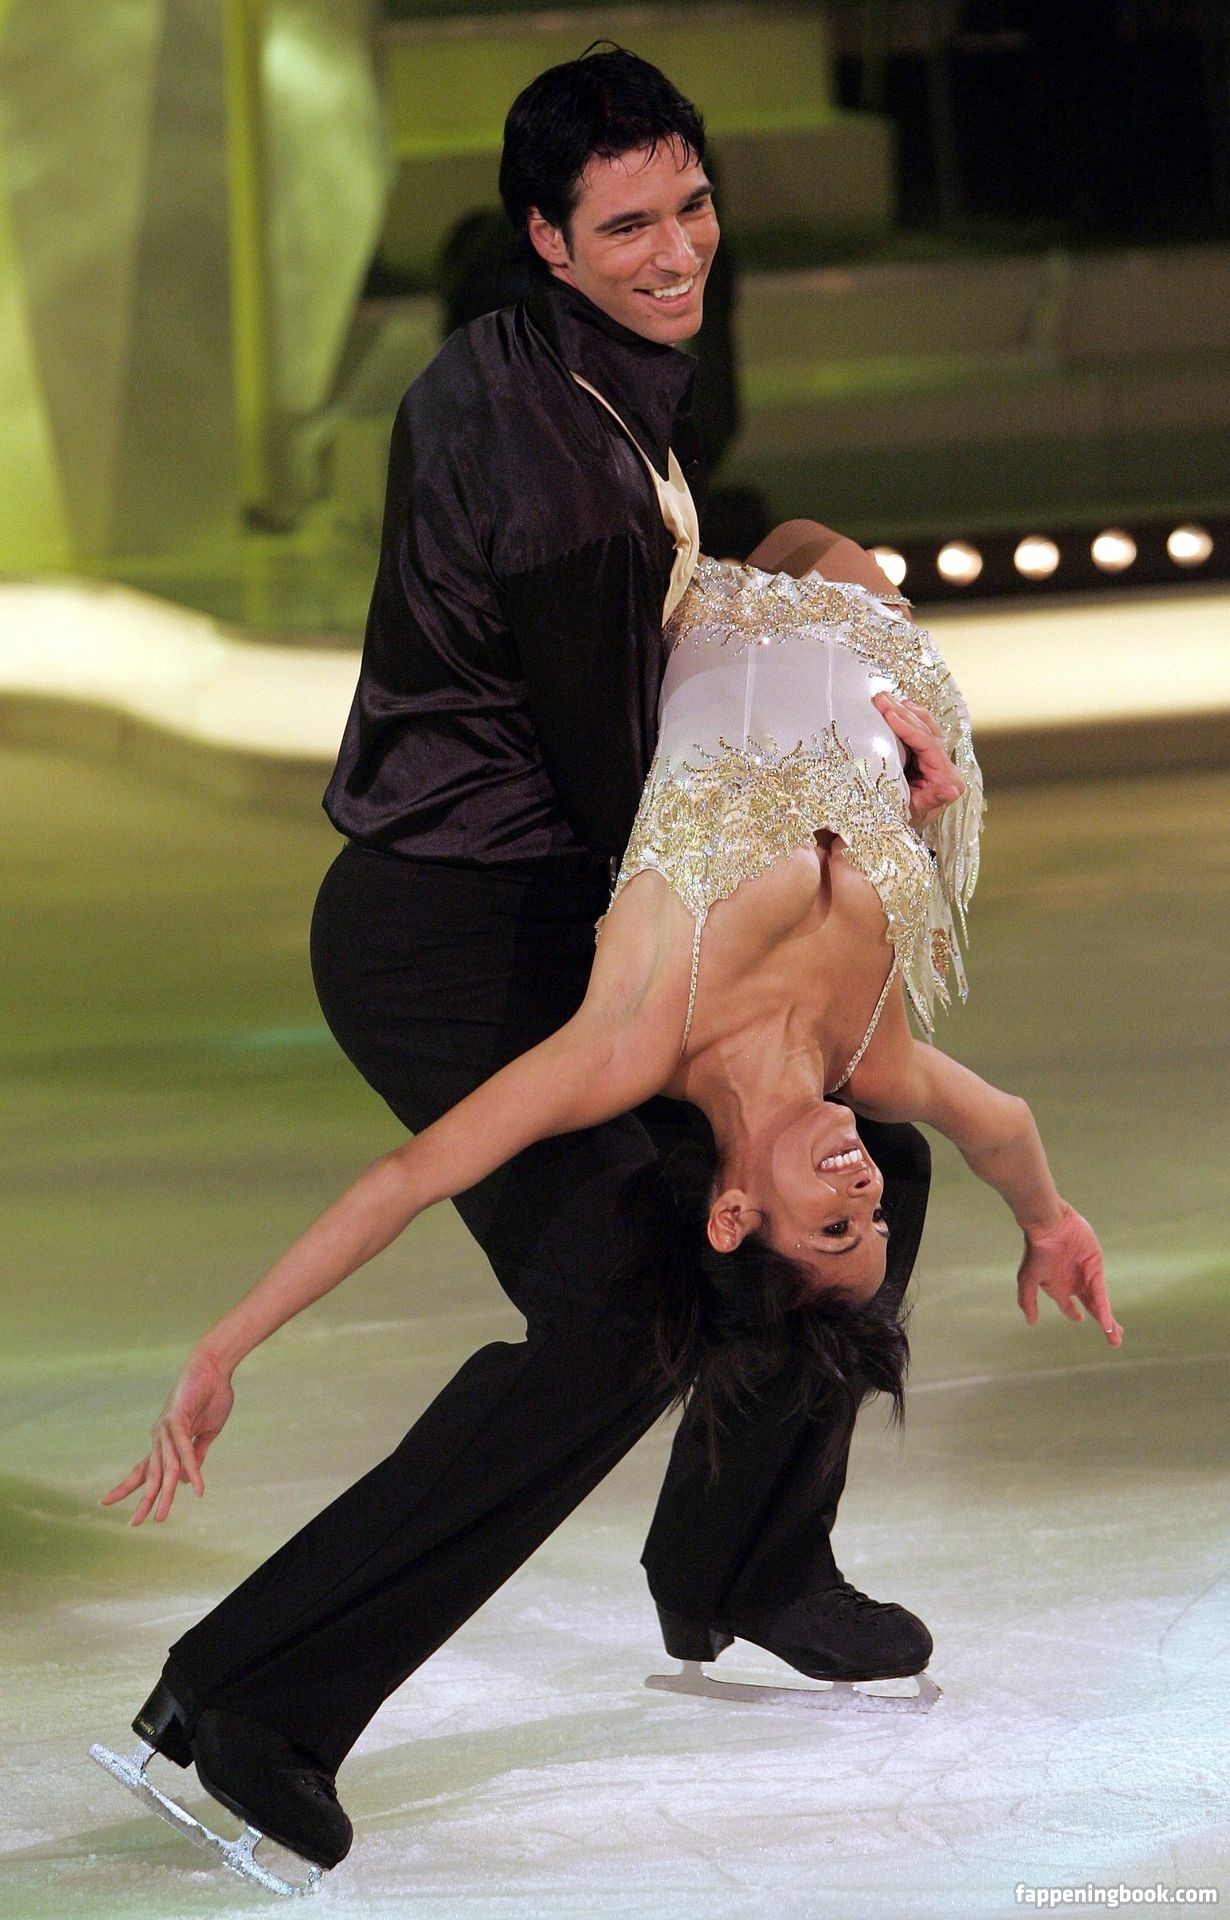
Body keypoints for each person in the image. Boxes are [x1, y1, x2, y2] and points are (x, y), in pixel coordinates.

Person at [97, 47, 976, 1883]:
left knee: (867, 1169)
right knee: (615, 1312)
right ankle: (250, 1699)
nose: (677, 250)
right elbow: (639, 782)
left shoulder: (555, 371)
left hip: (539, 887)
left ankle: (745, 1563)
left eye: (691, 206)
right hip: (457, 931)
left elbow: (703, 616)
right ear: (548, 241)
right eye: (627, 225)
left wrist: (857, 656)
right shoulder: (560, 471)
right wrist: (848, 762)